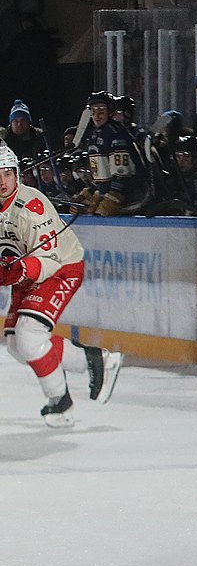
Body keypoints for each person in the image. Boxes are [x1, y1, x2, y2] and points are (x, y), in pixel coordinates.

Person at [0, 145, 123, 427]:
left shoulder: (32, 206)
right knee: (17, 346)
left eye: (8, 173)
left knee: (30, 338)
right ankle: (94, 360)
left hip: (60, 269)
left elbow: (51, 257)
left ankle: (60, 400)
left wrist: (17, 270)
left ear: (17, 174)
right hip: (26, 275)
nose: (3, 181)